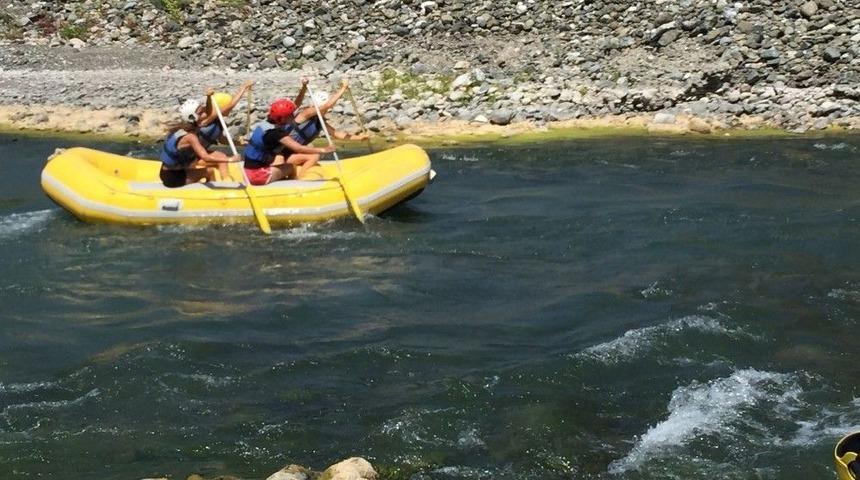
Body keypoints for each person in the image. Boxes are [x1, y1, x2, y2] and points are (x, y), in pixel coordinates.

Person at [158, 81, 253, 187]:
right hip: (173, 176)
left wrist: (208, 97)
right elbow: (206, 157)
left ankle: (225, 184)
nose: (205, 113)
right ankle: (223, 187)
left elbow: (221, 138)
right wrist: (230, 159)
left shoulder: (198, 124)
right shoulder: (191, 135)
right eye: (201, 112)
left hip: (184, 164)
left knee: (216, 162)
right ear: (193, 117)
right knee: (212, 168)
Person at [242, 81, 336, 185]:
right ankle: (295, 186)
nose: (293, 117)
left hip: (249, 170)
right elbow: (298, 148)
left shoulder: (266, 122)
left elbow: (296, 105)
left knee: (284, 163)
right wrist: (324, 149)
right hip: (258, 175)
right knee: (290, 168)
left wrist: (304, 87)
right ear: (283, 118)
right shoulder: (276, 133)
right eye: (290, 115)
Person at [288, 79, 369, 166]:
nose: (328, 109)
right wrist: (343, 88)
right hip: (285, 153)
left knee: (311, 150)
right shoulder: (306, 113)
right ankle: (301, 177)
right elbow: (328, 105)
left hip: (294, 152)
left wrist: (359, 138)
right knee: (314, 154)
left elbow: (336, 134)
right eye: (326, 108)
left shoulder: (320, 121)